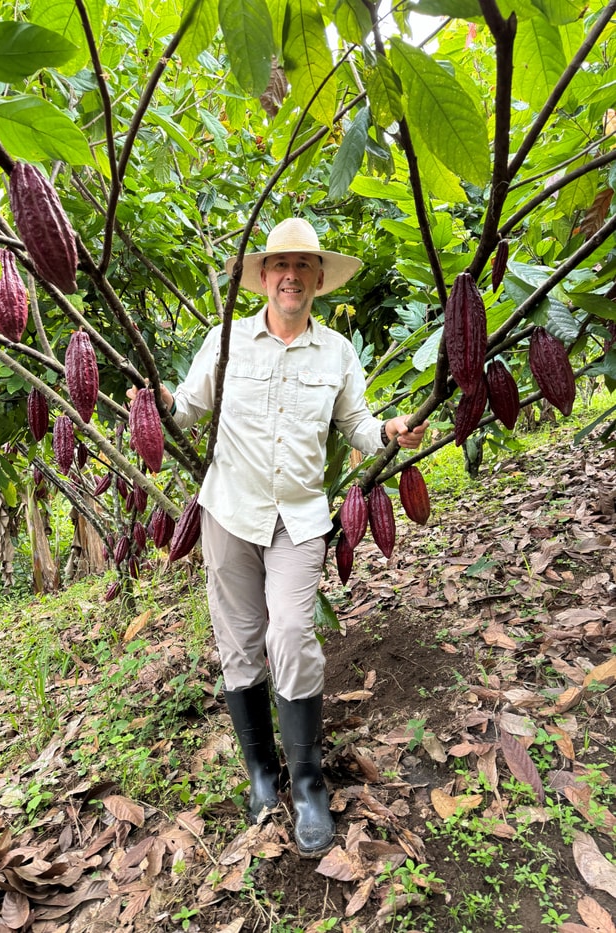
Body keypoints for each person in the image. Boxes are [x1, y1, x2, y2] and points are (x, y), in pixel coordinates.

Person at [159, 218, 428, 858]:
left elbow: (356, 422)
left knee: (291, 634)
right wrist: (149, 401)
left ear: (316, 280)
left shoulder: (335, 351)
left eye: (303, 266)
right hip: (229, 511)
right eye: (279, 265)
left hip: (300, 518)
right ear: (261, 277)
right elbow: (185, 413)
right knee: (240, 641)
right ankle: (262, 774)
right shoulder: (225, 341)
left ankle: (306, 782)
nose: (290, 276)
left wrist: (389, 431)